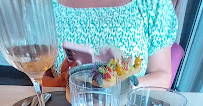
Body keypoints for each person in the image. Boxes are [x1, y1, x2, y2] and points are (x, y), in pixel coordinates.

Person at [43, 0, 178, 88]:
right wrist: (62, 84)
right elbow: (39, 79)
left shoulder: (152, 3)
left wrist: (124, 87)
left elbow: (162, 75)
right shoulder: (43, 5)